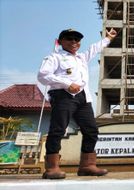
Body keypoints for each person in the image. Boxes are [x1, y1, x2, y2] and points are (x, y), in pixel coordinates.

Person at [38, 28, 117, 179]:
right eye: (69, 39)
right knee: (58, 130)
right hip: (63, 96)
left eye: (77, 39)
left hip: (83, 98)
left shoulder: (81, 58)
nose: (74, 42)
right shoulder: (55, 57)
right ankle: (52, 167)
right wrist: (66, 83)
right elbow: (43, 75)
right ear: (61, 42)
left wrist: (108, 38)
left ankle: (87, 166)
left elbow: (95, 48)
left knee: (91, 130)